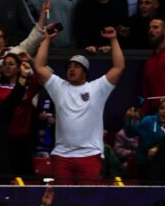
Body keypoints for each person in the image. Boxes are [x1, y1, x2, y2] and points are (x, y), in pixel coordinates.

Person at [34, 26, 125, 185]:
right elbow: (39, 67)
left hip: (90, 155)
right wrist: (47, 39)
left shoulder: (97, 88)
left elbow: (119, 67)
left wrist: (113, 39)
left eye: (76, 66)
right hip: (62, 156)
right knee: (63, 200)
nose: (71, 69)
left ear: (85, 72)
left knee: (89, 202)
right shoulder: (58, 86)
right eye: (69, 67)